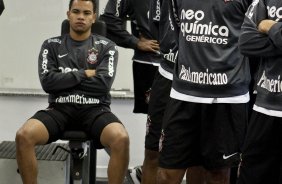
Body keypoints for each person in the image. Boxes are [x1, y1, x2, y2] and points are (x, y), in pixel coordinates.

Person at [15, 0, 129, 184]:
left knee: (121, 138)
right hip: (59, 109)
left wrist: (64, 80)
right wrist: (84, 73)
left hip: (95, 109)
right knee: (24, 136)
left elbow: (103, 84)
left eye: (86, 13)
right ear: (68, 14)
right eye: (76, 12)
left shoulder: (107, 46)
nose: (81, 17)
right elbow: (47, 82)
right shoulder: (50, 45)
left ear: (94, 17)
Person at [157, 0, 252, 183]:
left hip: (228, 97)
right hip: (183, 93)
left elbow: (252, 36)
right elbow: (177, 30)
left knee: (217, 175)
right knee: (167, 175)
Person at [142, 0, 206, 184]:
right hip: (167, 77)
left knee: (198, 160)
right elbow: (155, 28)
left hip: (200, 84)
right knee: (153, 152)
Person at [236, 1, 282, 183]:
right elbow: (246, 42)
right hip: (265, 106)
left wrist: (271, 27)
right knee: (250, 177)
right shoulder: (265, 1)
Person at [99, 0, 160, 114]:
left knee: (178, 122)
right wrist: (135, 42)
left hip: (182, 65)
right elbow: (108, 19)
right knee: (154, 120)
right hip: (149, 62)